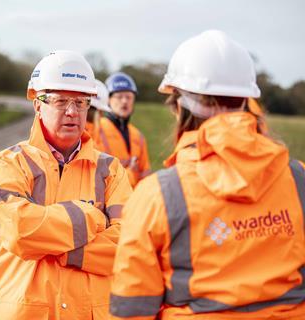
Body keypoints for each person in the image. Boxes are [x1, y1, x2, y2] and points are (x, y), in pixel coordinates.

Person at [110, 30, 305, 319]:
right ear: (247, 101)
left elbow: (131, 310)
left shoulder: (157, 195)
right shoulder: (298, 177)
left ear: (178, 106)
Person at [0, 50, 132, 319]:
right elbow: (18, 230)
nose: (72, 112)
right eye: (61, 101)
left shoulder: (110, 170)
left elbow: (129, 245)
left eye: (81, 102)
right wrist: (90, 217)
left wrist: (56, 248)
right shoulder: (9, 163)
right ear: (38, 104)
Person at [97, 72, 151, 188]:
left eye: (129, 97)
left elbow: (145, 175)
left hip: (135, 203)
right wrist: (130, 174)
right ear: (108, 99)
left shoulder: (138, 136)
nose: (124, 101)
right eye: (119, 96)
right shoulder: (96, 131)